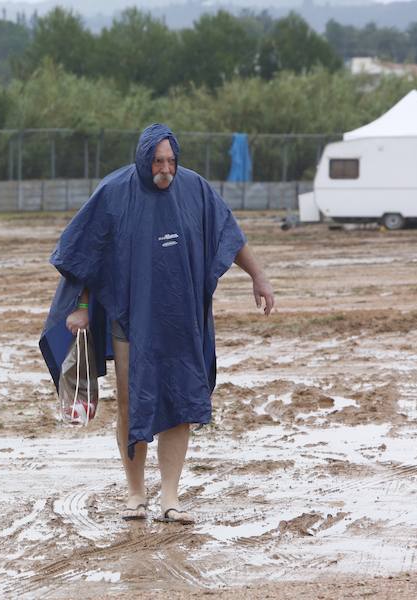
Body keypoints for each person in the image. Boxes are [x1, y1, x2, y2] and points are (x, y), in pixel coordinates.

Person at [39, 124, 274, 524]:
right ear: (143, 159)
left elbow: (229, 235)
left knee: (180, 402)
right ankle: (135, 494)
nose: (165, 169)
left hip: (182, 319)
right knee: (132, 401)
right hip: (129, 318)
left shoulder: (195, 189)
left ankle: (170, 497)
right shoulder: (115, 192)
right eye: (157, 162)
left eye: (170, 161)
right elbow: (83, 252)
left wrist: (259, 277)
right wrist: (78, 306)